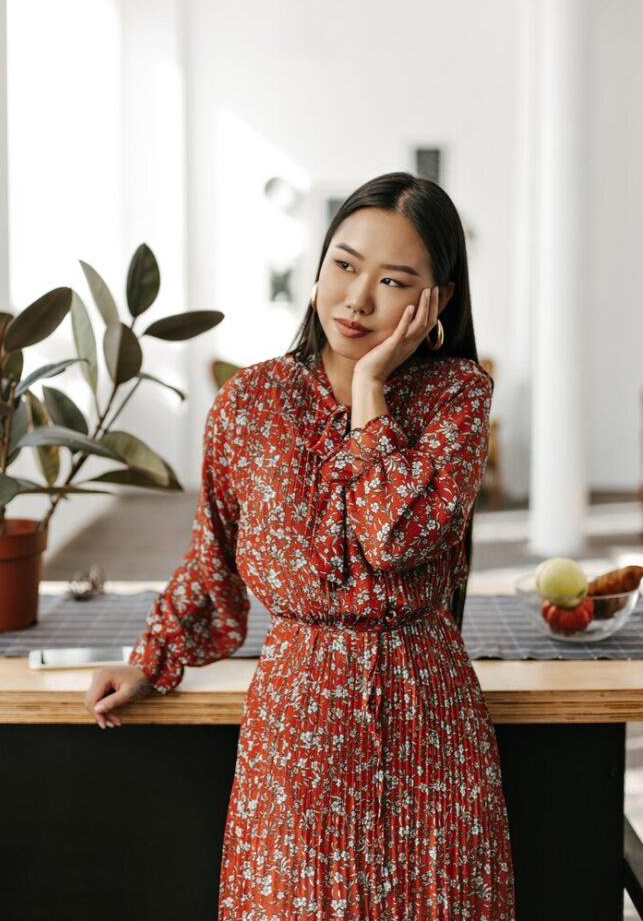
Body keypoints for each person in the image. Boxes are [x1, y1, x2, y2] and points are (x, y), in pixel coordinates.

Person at [84, 171, 516, 918]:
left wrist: (370, 391)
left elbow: (396, 536)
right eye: (344, 265)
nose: (357, 298)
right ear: (318, 265)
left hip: (427, 721)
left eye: (392, 281)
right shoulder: (250, 404)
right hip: (297, 726)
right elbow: (211, 556)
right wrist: (151, 661)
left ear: (435, 301)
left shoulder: (456, 397)